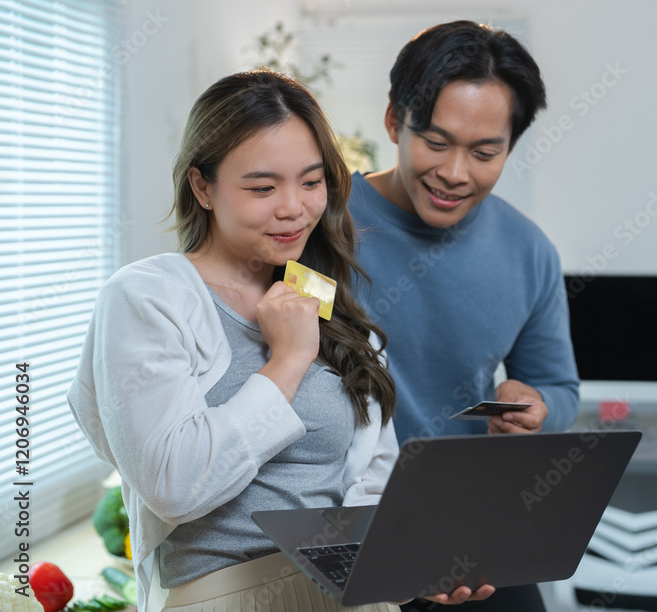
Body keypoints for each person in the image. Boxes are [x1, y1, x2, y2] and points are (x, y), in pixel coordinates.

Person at [67, 71, 479, 612]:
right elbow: (173, 484)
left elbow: (372, 481)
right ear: (202, 187)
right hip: (224, 595)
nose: (294, 208)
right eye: (263, 187)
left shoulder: (319, 298)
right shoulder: (147, 298)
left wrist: (413, 566)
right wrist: (286, 361)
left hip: (348, 591)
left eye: (311, 182)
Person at [347, 21, 581, 611]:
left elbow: (560, 388)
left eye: (484, 152)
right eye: (435, 141)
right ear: (394, 122)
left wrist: (538, 408)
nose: (456, 173)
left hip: (470, 529)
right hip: (346, 525)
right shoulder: (319, 227)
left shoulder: (529, 251)